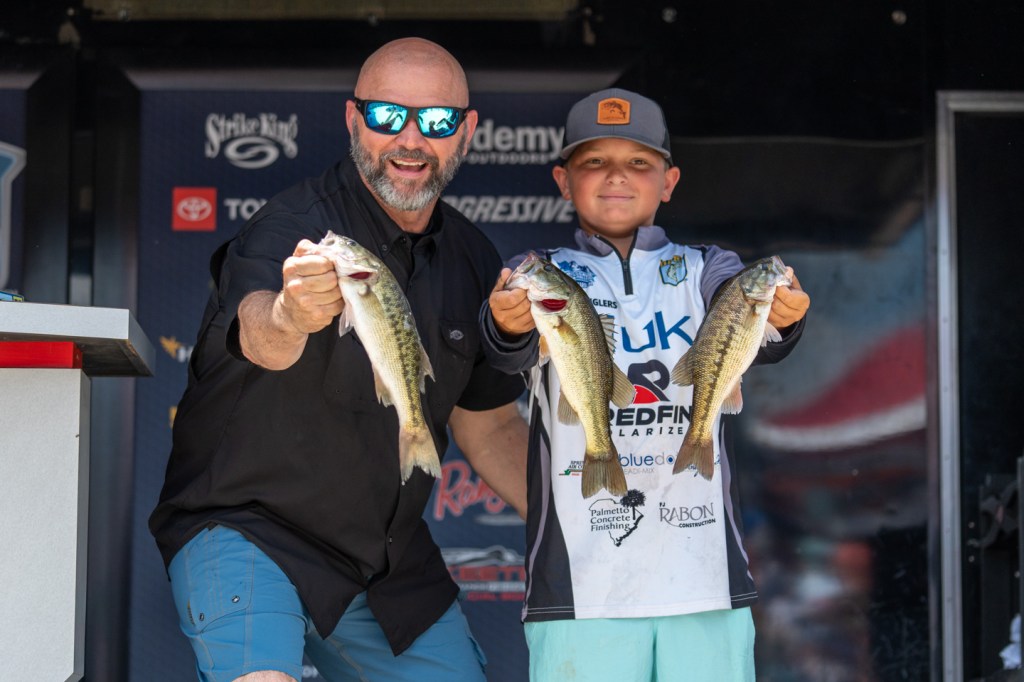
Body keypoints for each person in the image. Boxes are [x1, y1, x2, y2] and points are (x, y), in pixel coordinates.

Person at [149, 37, 529, 682]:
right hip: (250, 530)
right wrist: (291, 314)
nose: (411, 139)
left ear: (466, 133)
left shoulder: (472, 257)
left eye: (437, 121)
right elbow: (258, 333)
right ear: (354, 119)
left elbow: (489, 426)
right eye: (387, 115)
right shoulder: (290, 227)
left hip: (384, 562)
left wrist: (578, 524)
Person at [481, 88, 811, 681]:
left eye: (638, 162)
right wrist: (505, 324)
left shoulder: (709, 267)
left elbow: (751, 326)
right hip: (579, 589)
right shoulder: (542, 271)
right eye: (594, 162)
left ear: (669, 181)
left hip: (705, 581)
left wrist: (783, 318)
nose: (617, 176)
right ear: (562, 180)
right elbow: (506, 353)